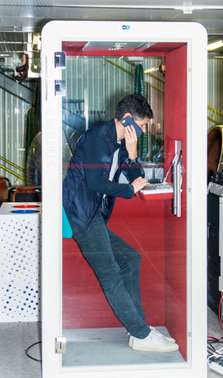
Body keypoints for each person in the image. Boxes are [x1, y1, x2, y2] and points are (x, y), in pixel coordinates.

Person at [63, 94, 178, 352]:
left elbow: (135, 176)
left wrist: (133, 153)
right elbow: (96, 183)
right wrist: (127, 191)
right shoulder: (97, 139)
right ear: (127, 120)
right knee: (111, 274)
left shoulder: (120, 142)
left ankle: (137, 328)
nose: (146, 130)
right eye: (144, 125)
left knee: (130, 258)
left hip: (93, 214)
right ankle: (141, 334)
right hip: (81, 214)